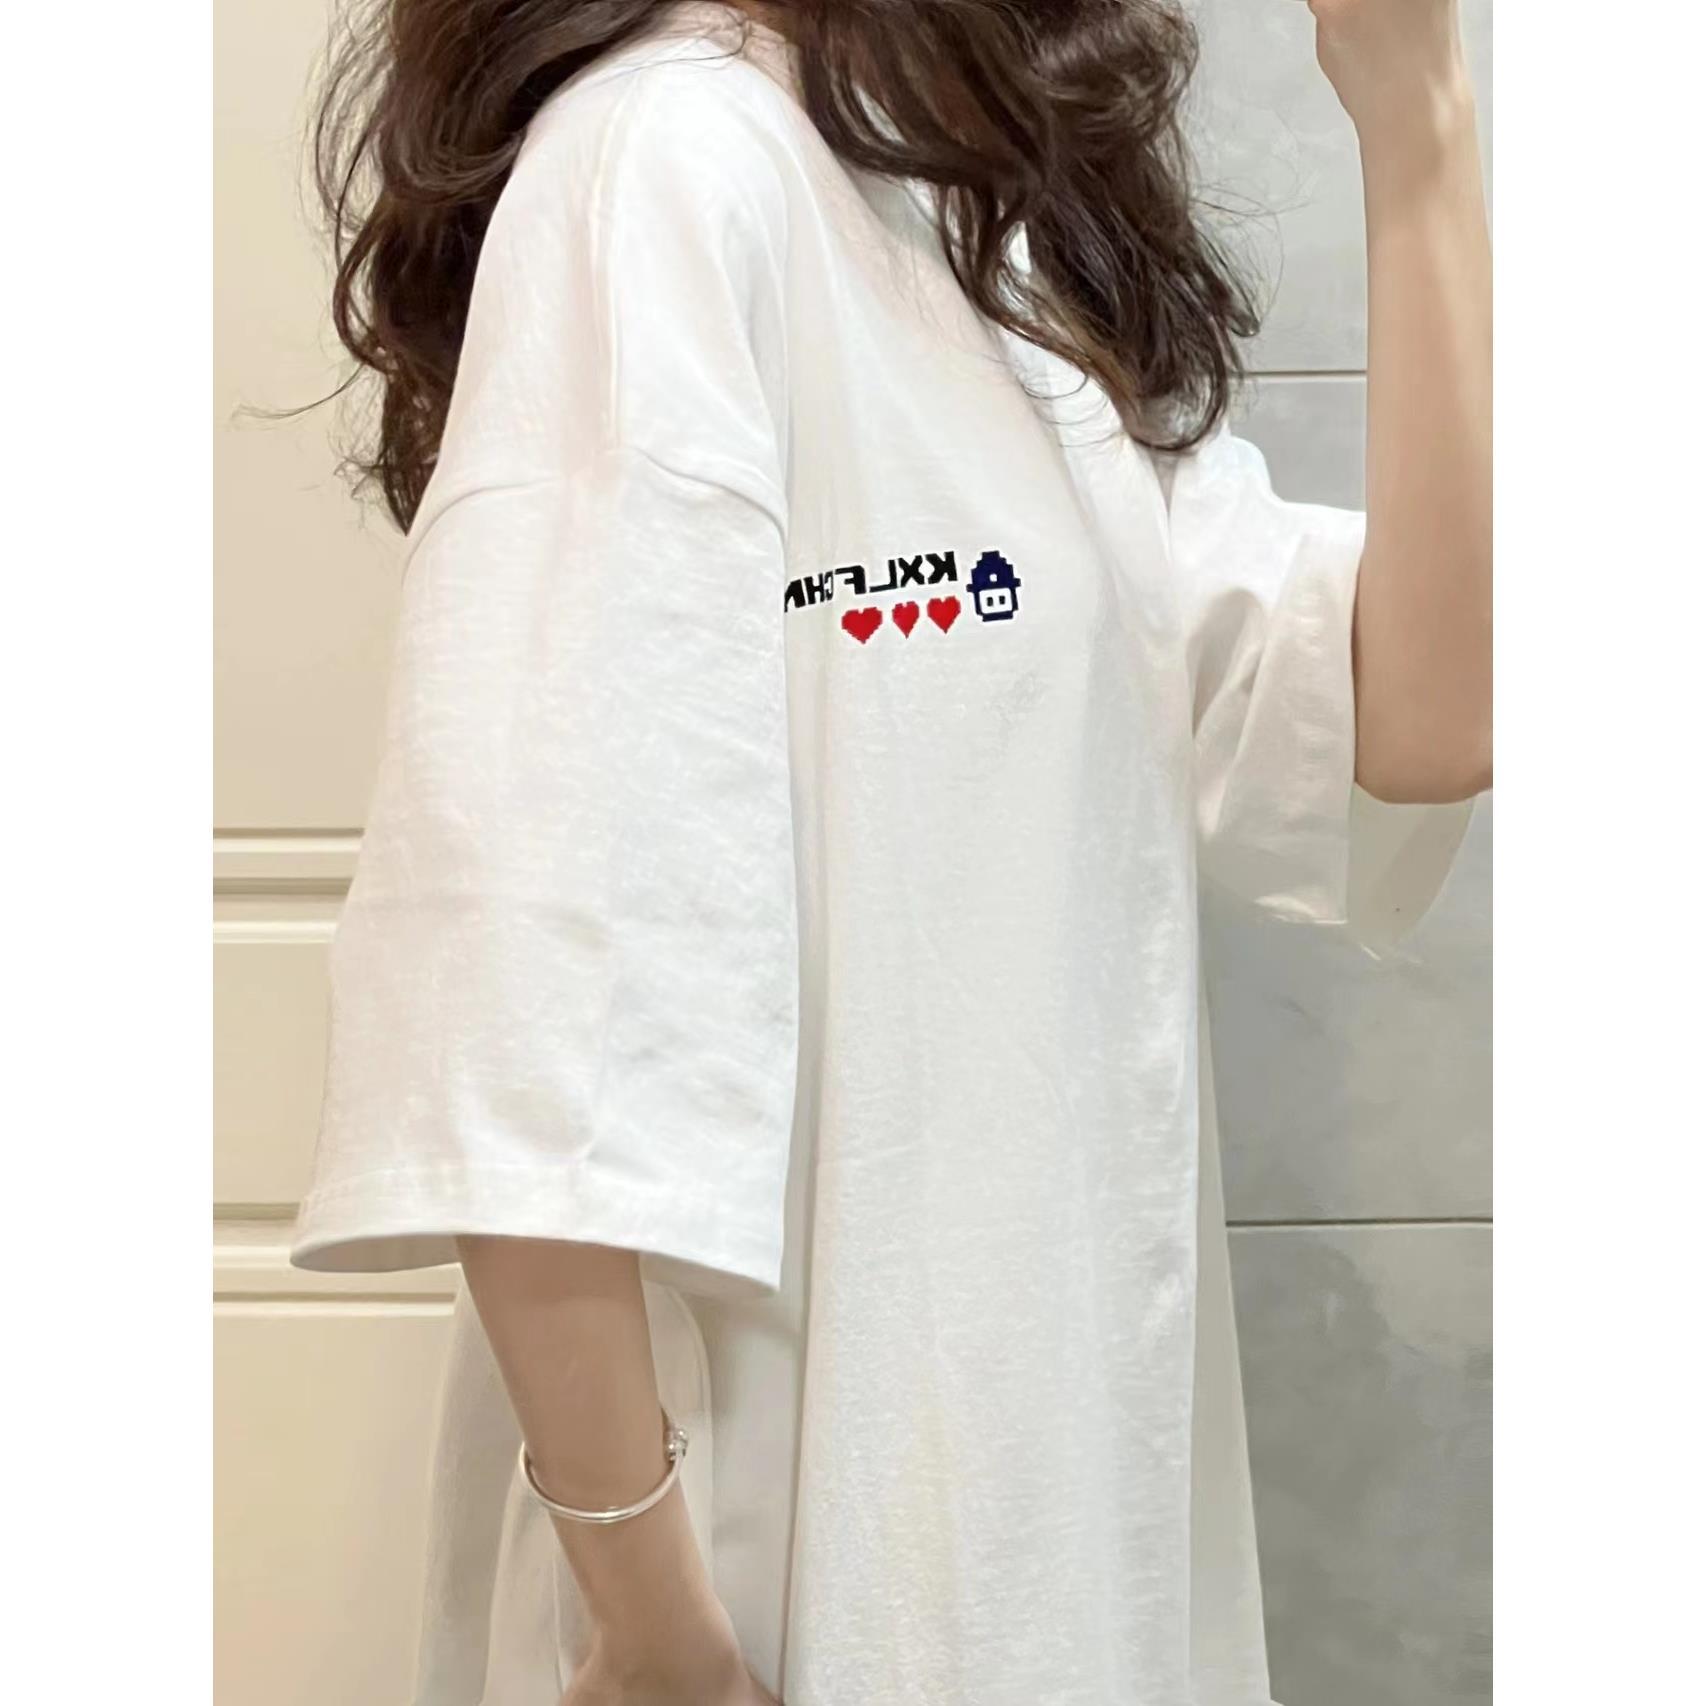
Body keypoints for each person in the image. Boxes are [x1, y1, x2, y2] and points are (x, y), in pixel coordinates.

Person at [290, 1, 1491, 1701]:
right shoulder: (662, 164)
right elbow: (525, 976)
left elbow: (1424, 710)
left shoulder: (987, 242)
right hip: (782, 1580)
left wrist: (1414, 118)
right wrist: (655, 1629)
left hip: (1053, 1539)